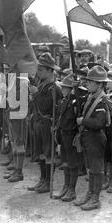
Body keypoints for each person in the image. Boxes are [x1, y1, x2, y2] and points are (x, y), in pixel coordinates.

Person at [74, 65, 112, 210]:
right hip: (87, 137)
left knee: (97, 169)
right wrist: (75, 89)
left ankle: (95, 198)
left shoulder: (103, 101)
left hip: (96, 138)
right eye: (87, 81)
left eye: (90, 82)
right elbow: (79, 100)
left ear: (99, 84)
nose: (87, 84)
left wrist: (82, 121)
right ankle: (89, 194)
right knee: (90, 168)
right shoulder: (91, 96)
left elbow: (98, 123)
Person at [28, 53, 62, 193]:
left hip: (48, 124)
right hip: (38, 123)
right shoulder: (42, 85)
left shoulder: (54, 88)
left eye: (41, 70)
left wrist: (35, 95)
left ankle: (48, 182)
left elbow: (46, 107)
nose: (38, 72)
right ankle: (42, 179)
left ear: (49, 70)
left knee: (49, 154)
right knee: (41, 153)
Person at [53, 74, 82, 202]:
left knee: (72, 162)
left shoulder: (76, 102)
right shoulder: (64, 101)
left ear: (71, 89)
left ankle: (72, 189)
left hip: (72, 135)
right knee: (65, 161)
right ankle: (65, 186)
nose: (63, 89)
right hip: (63, 134)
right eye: (63, 87)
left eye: (66, 88)